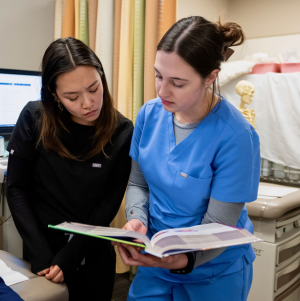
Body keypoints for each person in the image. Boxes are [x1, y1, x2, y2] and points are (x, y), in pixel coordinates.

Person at [117, 16, 261, 301]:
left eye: (177, 83)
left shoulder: (236, 136)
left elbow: (220, 225)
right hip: (156, 264)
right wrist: (137, 219)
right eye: (158, 75)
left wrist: (185, 259)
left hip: (213, 272)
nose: (162, 91)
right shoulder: (149, 114)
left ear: (210, 77)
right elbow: (138, 184)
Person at [6, 37, 133, 300]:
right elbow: (17, 189)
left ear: (102, 77)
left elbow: (110, 201)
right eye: (72, 97)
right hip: (42, 248)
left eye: (94, 88)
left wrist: (72, 255)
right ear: (54, 94)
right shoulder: (34, 118)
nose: (87, 103)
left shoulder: (122, 130)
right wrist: (41, 255)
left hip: (92, 248)